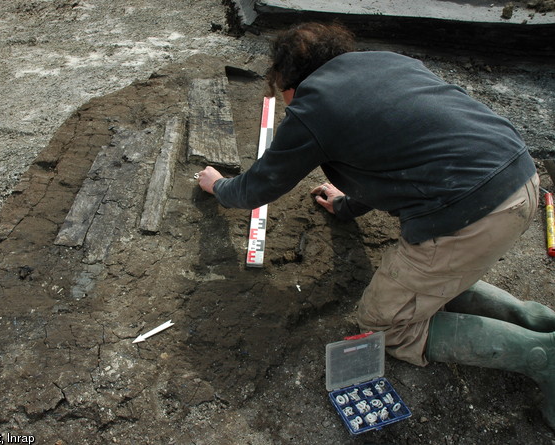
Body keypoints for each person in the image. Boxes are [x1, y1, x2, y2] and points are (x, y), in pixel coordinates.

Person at [195, 21, 555, 428]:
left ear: (290, 80)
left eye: (282, 91)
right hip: (521, 178)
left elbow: (259, 187)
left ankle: (541, 354)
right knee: (438, 273)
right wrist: (347, 205)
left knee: (385, 326)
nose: (286, 102)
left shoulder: (313, 107)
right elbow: (395, 151)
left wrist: (218, 185)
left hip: (469, 214)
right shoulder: (387, 62)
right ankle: (538, 321)